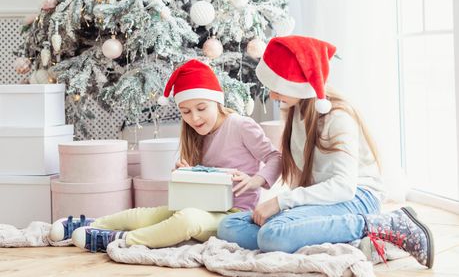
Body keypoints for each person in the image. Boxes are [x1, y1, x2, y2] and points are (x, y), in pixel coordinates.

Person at [217, 36, 434, 268]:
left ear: (296, 84)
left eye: (277, 88)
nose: (272, 95)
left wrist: (282, 202)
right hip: (324, 200)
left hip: (358, 198)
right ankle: (338, 238)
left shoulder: (337, 117)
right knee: (229, 227)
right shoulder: (296, 110)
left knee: (272, 236)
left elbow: (343, 186)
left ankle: (386, 224)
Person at [49, 59, 281, 252]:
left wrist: (255, 180)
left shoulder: (241, 125)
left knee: (187, 220)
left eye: (201, 108)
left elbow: (275, 157)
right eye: (186, 112)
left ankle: (120, 240)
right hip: (200, 204)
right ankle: (93, 224)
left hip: (235, 214)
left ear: (217, 102)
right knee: (148, 215)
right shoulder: (195, 134)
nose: (195, 118)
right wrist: (187, 174)